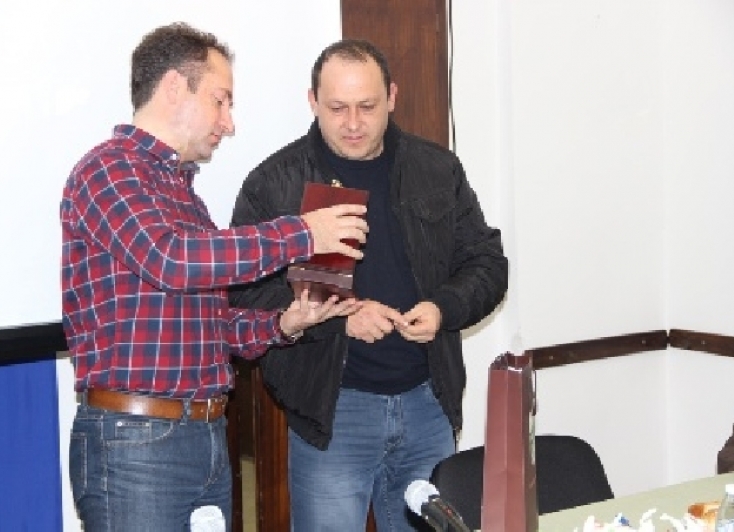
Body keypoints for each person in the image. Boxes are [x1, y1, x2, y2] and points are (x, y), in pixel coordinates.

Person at [60, 23, 369, 532]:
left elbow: (213, 327)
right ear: (174, 87)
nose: (229, 123)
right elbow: (172, 261)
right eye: (220, 101)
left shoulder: (185, 197)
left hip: (204, 436)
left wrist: (285, 324)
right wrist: (304, 232)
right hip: (136, 442)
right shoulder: (108, 171)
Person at [230, 39, 509, 532]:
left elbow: (487, 263)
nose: (354, 123)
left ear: (392, 98)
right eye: (337, 108)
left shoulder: (436, 169)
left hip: (428, 404)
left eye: (367, 106)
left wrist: (443, 308)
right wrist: (341, 316)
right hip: (333, 412)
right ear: (313, 101)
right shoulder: (274, 184)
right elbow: (246, 295)